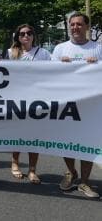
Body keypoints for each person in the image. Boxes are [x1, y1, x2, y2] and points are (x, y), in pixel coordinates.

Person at [52, 12, 102, 199]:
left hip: (91, 105)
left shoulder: (98, 48)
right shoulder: (59, 49)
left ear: (87, 27)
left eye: (79, 24)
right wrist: (59, 66)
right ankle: (71, 172)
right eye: (72, 24)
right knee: (67, 141)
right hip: (67, 104)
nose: (75, 28)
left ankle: (85, 182)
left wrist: (97, 65)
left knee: (87, 142)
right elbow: (47, 76)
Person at [8, 24, 51, 184]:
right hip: (17, 101)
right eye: (22, 34)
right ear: (17, 37)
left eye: (29, 33)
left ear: (33, 36)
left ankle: (32, 169)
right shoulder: (10, 53)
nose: (25, 36)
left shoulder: (44, 53)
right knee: (17, 135)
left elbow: (55, 72)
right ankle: (15, 162)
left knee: (34, 136)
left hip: (37, 101)